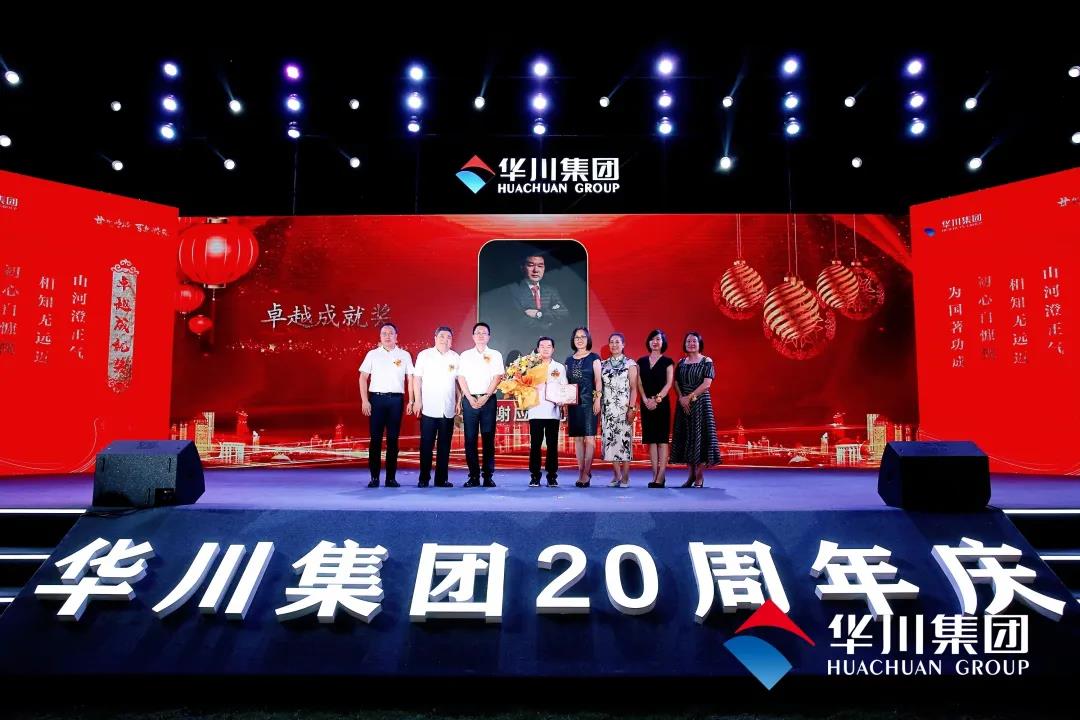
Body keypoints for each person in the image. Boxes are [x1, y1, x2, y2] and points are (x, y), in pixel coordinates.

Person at [358, 322, 414, 488]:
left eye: (391, 333)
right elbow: (362, 378)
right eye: (384, 333)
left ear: (396, 337)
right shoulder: (372, 354)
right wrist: (365, 400)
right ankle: (374, 478)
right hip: (377, 400)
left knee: (393, 440)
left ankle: (391, 478)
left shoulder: (404, 355)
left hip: (396, 401)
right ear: (380, 337)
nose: (387, 336)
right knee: (375, 439)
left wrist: (411, 400)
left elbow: (410, 379)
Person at [670, 331, 722, 488]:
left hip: (700, 403)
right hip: (684, 404)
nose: (691, 344)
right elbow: (676, 383)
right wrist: (681, 397)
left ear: (699, 344)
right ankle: (691, 475)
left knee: (701, 438)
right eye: (688, 341)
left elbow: (707, 384)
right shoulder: (681, 362)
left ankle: (699, 475)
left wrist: (689, 397)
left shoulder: (706, 361)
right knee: (687, 438)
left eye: (694, 341)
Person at [456, 322, 504, 488]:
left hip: (488, 400)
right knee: (470, 439)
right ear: (473, 336)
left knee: (488, 438)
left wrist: (486, 396)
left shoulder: (495, 354)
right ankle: (473, 476)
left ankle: (488, 476)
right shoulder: (465, 355)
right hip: (470, 400)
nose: (481, 335)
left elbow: (497, 377)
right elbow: (461, 377)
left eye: (484, 333)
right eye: (478, 332)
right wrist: (469, 397)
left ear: (489, 336)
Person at [412, 326, 460, 488]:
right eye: (442, 336)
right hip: (429, 408)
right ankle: (423, 478)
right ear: (435, 338)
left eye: (448, 337)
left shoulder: (455, 357)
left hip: (448, 408)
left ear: (451, 340)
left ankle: (441, 479)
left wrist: (459, 401)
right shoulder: (424, 355)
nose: (445, 340)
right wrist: (417, 401)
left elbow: (458, 382)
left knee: (444, 446)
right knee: (426, 445)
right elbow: (417, 379)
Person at [527, 336, 567, 488]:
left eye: (548, 346)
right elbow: (523, 386)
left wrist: (563, 400)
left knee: (552, 445)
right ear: (538, 349)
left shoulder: (559, 367)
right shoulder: (530, 367)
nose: (545, 349)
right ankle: (535, 476)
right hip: (535, 410)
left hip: (553, 412)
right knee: (535, 445)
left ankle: (552, 476)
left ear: (553, 349)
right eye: (542, 346)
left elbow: (564, 388)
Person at [637, 329, 675, 488]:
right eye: (652, 339)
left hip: (662, 404)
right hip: (646, 404)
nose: (655, 342)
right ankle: (654, 475)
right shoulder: (641, 362)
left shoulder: (668, 362)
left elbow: (669, 383)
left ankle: (661, 475)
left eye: (658, 339)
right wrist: (645, 399)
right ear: (648, 342)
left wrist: (657, 399)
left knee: (662, 441)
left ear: (663, 342)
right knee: (651, 441)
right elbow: (639, 383)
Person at [601, 332, 639, 487]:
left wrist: (631, 408)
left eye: (617, 342)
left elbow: (634, 388)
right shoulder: (603, 364)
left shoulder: (630, 364)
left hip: (624, 408)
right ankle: (616, 475)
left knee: (624, 442)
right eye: (611, 342)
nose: (614, 345)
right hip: (608, 409)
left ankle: (626, 477)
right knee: (611, 442)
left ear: (623, 345)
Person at [565, 327, 602, 487]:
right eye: (577, 337)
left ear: (588, 339)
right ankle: (581, 471)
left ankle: (586, 473)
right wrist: (565, 402)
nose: (580, 340)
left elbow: (598, 381)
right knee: (578, 439)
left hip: (589, 402)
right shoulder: (568, 360)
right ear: (573, 340)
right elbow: (566, 383)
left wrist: (597, 399)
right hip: (574, 403)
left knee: (590, 437)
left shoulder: (594, 358)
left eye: (583, 337)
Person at [511, 253, 569, 330]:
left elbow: (564, 313)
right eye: (531, 265)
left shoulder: (551, 290)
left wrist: (539, 314)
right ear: (522, 268)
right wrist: (546, 325)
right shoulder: (514, 291)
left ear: (544, 268)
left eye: (540, 266)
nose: (536, 270)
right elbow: (516, 319)